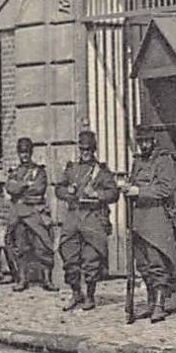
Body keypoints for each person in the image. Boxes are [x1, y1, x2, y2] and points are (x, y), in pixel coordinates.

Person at [55, 129, 119, 311]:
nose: (85, 153)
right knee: (68, 256)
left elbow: (113, 193)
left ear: (94, 150)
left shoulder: (102, 171)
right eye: (82, 149)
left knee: (91, 259)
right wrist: (68, 192)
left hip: (93, 217)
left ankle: (90, 296)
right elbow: (58, 189)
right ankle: (76, 293)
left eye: (89, 150)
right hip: (73, 216)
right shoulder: (71, 169)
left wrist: (97, 194)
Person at [123, 125, 176, 322]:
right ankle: (149, 302)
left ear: (153, 140)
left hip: (156, 220)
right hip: (138, 220)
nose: (143, 145)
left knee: (157, 263)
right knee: (143, 265)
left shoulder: (164, 160)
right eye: (140, 142)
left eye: (146, 141)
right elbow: (133, 183)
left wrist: (139, 192)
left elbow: (166, 188)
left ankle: (159, 305)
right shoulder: (138, 162)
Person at [3, 137, 56, 291]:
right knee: (21, 247)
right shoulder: (14, 172)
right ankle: (22, 279)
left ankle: (47, 280)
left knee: (43, 246)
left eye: (26, 151)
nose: (24, 155)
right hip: (19, 215)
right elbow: (10, 188)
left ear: (31, 152)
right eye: (21, 152)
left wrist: (20, 190)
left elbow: (39, 189)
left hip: (35, 213)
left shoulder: (39, 171)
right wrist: (25, 185)